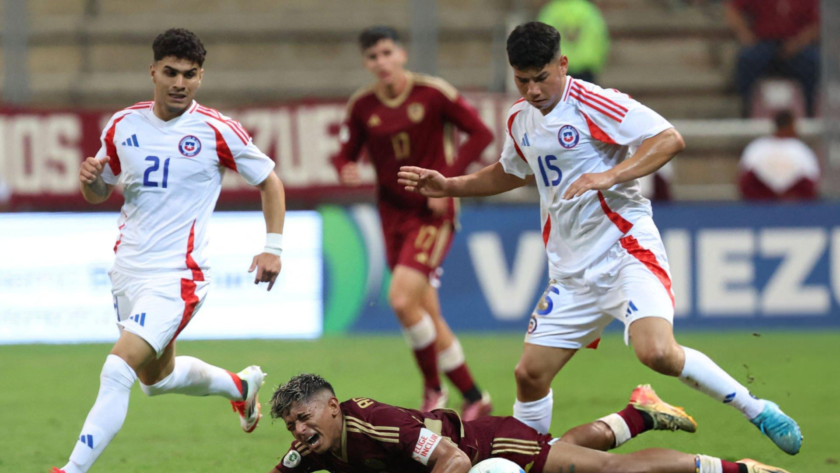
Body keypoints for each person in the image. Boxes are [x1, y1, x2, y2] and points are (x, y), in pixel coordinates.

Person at [398, 22, 802, 456]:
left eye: (541, 78)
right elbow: (511, 172)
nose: (533, 90)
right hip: (571, 273)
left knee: (658, 354)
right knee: (529, 375)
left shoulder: (595, 102)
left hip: (626, 252)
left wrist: (611, 173)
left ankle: (756, 408)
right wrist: (450, 185)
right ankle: (533, 458)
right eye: (523, 80)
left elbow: (669, 139)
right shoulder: (520, 118)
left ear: (563, 64)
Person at [52, 28, 286, 473]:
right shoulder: (123, 125)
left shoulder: (217, 129)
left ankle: (71, 469)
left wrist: (272, 246)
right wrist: (91, 183)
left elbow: (269, 180)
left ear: (201, 77)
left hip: (179, 275)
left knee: (116, 369)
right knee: (154, 381)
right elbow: (103, 192)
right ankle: (240, 386)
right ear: (154, 72)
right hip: (128, 271)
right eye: (172, 73)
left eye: (191, 75)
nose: (181, 83)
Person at [332, 26, 495, 418]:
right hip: (391, 216)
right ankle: (476, 398)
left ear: (401, 54)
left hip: (430, 213)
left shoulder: (433, 93)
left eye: (387, 53)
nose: (381, 62)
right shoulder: (362, 106)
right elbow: (345, 153)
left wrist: (448, 183)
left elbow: (481, 133)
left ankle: (433, 391)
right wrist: (346, 167)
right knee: (428, 315)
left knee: (402, 300)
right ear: (366, 63)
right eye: (373, 57)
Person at [268, 373, 789, 473]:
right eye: (291, 425)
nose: (298, 432)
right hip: (480, 453)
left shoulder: (376, 425)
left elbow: (450, 459)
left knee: (606, 470)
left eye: (304, 419)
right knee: (564, 452)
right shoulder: (314, 449)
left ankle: (738, 469)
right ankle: (641, 411)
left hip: (490, 449)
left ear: (332, 407)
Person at [725, 0, 820, 117]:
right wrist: (746, 36)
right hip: (764, 43)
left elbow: (818, 22)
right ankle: (747, 112)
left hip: (796, 46)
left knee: (814, 62)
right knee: (747, 59)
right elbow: (732, 10)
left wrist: (798, 42)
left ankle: (809, 114)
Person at [739, 109, 820, 200]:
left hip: (794, 204)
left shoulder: (757, 147)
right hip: (762, 203)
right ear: (791, 126)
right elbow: (746, 181)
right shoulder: (758, 147)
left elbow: (810, 184)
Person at [537, 0, 610, 84]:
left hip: (556, 67)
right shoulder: (589, 10)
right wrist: (597, 65)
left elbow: (540, 40)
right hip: (586, 67)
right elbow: (600, 38)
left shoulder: (551, 10)